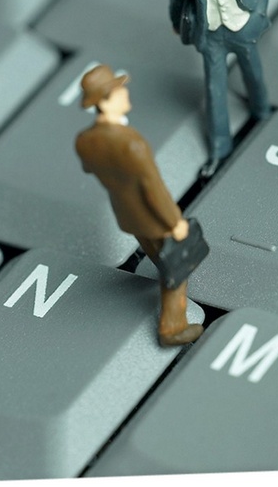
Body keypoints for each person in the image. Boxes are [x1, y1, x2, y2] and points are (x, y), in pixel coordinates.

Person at [75, 64, 204, 346]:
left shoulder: (85, 141)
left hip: (126, 213)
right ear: (106, 100)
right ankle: (172, 329)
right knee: (176, 272)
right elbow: (153, 188)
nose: (125, 94)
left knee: (154, 253)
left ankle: (162, 270)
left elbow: (90, 169)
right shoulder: (131, 143)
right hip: (153, 216)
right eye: (120, 90)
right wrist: (175, 223)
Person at [169, 0, 272, 178]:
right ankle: (220, 150)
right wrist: (175, 19)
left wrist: (258, 15)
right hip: (211, 33)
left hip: (241, 27)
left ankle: (262, 113)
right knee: (214, 89)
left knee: (253, 73)